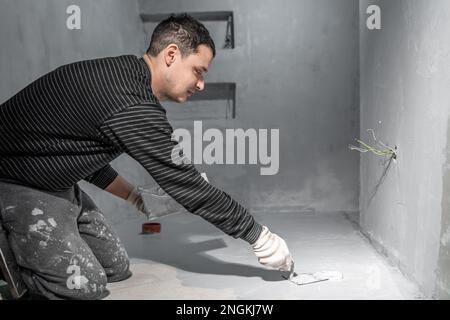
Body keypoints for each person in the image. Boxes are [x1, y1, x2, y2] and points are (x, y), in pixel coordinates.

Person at [0, 14, 292, 300]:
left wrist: (134, 197)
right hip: (17, 181)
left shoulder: (127, 74)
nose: (201, 84)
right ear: (171, 54)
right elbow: (189, 187)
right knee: (82, 286)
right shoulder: (131, 103)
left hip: (54, 178)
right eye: (199, 71)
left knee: (115, 267)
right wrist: (258, 236)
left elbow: (78, 154)